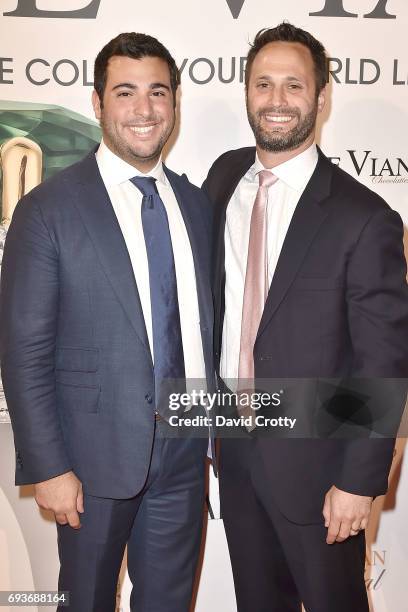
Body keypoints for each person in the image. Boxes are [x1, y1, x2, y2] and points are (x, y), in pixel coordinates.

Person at [0, 32, 214, 612]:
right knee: (86, 601)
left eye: (158, 92)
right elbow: (23, 350)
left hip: (186, 451)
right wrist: (49, 466)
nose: (144, 110)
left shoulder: (196, 206)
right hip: (90, 462)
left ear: (175, 102)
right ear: (98, 103)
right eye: (125, 92)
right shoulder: (48, 209)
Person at [203, 22, 408, 612]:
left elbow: (383, 362)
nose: (276, 100)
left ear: (321, 97)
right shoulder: (224, 180)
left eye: (294, 85)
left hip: (322, 473)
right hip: (235, 454)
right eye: (263, 84)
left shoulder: (363, 217)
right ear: (246, 93)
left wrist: (359, 481)